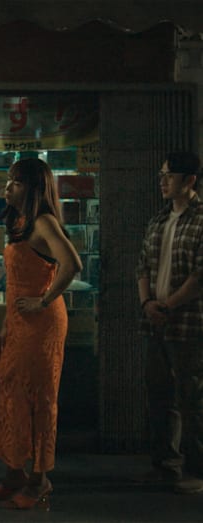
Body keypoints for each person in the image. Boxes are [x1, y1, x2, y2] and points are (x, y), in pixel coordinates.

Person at [0, 158, 82, 509]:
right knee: (9, 390)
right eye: (9, 181)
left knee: (38, 397)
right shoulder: (21, 221)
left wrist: (44, 300)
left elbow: (71, 263)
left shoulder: (43, 221)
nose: (8, 188)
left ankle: (40, 478)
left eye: (16, 182)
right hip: (19, 321)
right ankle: (14, 472)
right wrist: (7, 324)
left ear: (34, 188)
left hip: (42, 323)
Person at [135, 151, 203, 495]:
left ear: (189, 180)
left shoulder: (200, 220)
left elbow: (199, 276)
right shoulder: (159, 220)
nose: (162, 181)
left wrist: (167, 305)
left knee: (192, 398)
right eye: (161, 175)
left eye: (169, 175)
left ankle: (196, 469)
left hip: (188, 324)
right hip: (156, 323)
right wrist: (147, 302)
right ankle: (165, 464)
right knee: (159, 396)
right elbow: (143, 266)